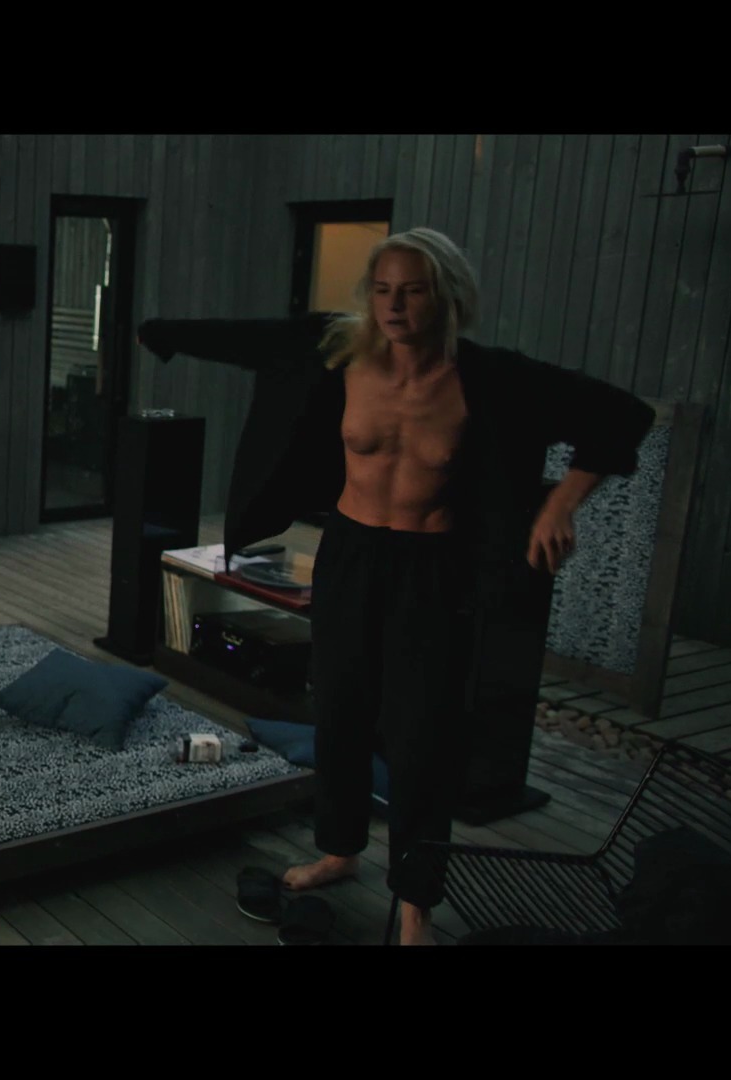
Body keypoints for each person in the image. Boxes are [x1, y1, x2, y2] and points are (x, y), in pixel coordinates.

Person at [139, 227, 654, 944]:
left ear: (447, 297)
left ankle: (416, 903)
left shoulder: (493, 377)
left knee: (421, 737)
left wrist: (559, 504)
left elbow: (623, 416)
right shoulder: (338, 352)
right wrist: (161, 331)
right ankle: (339, 850)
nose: (395, 305)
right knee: (340, 714)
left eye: (412, 291)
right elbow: (249, 337)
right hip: (351, 554)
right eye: (382, 290)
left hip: (433, 569)